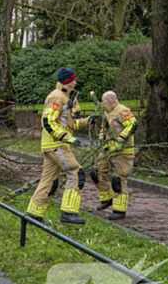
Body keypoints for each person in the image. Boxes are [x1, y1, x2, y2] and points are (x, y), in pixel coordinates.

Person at [26, 67, 96, 224]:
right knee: (76, 173)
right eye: (73, 79)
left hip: (55, 143)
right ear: (67, 81)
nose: (75, 82)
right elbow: (48, 122)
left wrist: (87, 121)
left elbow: (67, 124)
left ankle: (34, 214)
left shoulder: (66, 96)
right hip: (57, 144)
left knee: (49, 180)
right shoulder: (57, 97)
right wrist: (66, 138)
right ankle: (68, 212)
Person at [91, 91, 138, 220]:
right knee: (96, 172)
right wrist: (101, 135)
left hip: (122, 152)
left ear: (110, 100)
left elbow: (132, 125)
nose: (102, 103)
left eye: (103, 101)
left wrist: (121, 139)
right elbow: (105, 127)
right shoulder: (107, 111)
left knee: (118, 180)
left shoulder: (122, 110)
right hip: (108, 151)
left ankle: (119, 210)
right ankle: (107, 198)